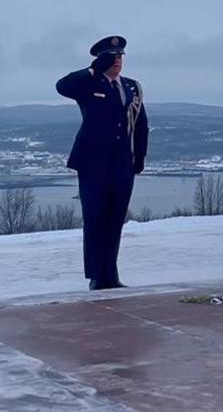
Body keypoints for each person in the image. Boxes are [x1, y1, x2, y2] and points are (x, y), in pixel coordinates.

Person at [55, 35, 148, 290]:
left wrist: (139, 156)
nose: (117, 62)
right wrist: (94, 68)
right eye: (112, 58)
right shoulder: (89, 83)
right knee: (95, 219)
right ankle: (97, 277)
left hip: (122, 164)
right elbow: (62, 86)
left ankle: (111, 275)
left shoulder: (132, 87)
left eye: (119, 58)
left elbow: (141, 124)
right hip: (93, 163)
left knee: (115, 219)